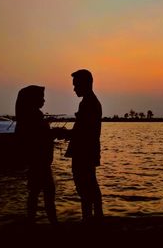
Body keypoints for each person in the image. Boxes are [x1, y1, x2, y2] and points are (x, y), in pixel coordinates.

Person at [15, 85, 61, 225]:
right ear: (33, 100)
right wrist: (55, 133)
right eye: (41, 97)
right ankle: (54, 225)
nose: (44, 100)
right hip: (40, 163)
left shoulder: (28, 117)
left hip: (36, 163)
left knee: (34, 194)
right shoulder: (34, 117)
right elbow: (40, 138)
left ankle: (31, 223)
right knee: (48, 194)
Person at [64, 69, 104, 222]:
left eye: (76, 85)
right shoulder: (89, 102)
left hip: (84, 152)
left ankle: (90, 219)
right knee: (89, 185)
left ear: (84, 84)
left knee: (85, 187)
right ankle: (95, 217)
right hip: (87, 151)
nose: (74, 89)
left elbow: (83, 132)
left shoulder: (89, 104)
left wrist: (65, 134)